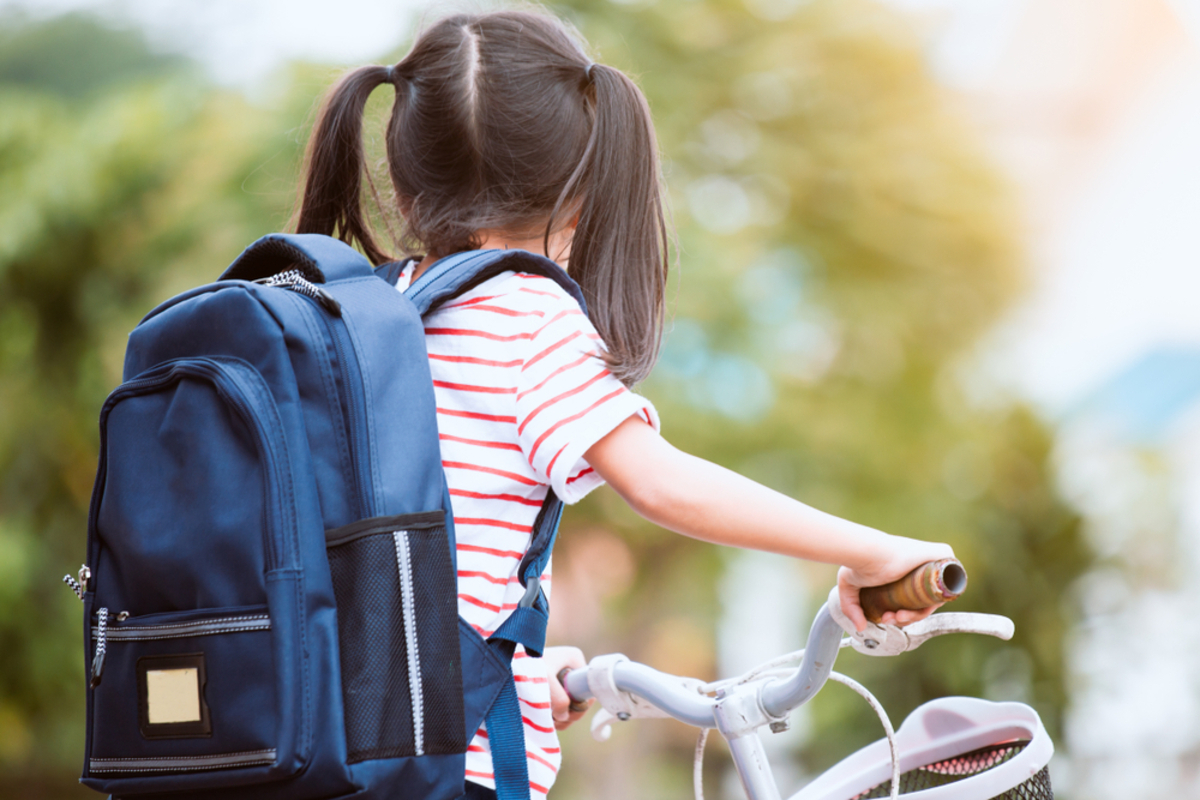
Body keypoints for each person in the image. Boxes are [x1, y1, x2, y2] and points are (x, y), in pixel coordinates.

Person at [292, 9, 954, 799]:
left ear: (403, 179)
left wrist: (518, 666)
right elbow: (663, 485)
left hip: (334, 748)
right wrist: (878, 551)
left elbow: (407, 572)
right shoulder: (526, 315)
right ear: (580, 186)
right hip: (444, 773)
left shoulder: (363, 313)